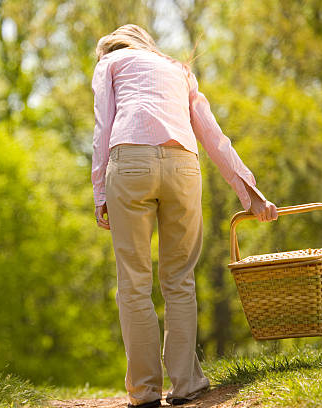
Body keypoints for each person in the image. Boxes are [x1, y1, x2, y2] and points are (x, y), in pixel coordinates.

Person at [91, 25, 277, 408]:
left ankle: (144, 392)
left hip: (130, 164)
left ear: (108, 49)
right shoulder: (176, 67)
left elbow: (102, 127)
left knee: (134, 283)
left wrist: (99, 191)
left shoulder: (109, 63)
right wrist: (250, 193)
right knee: (179, 280)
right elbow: (212, 134)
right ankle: (187, 384)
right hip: (183, 166)